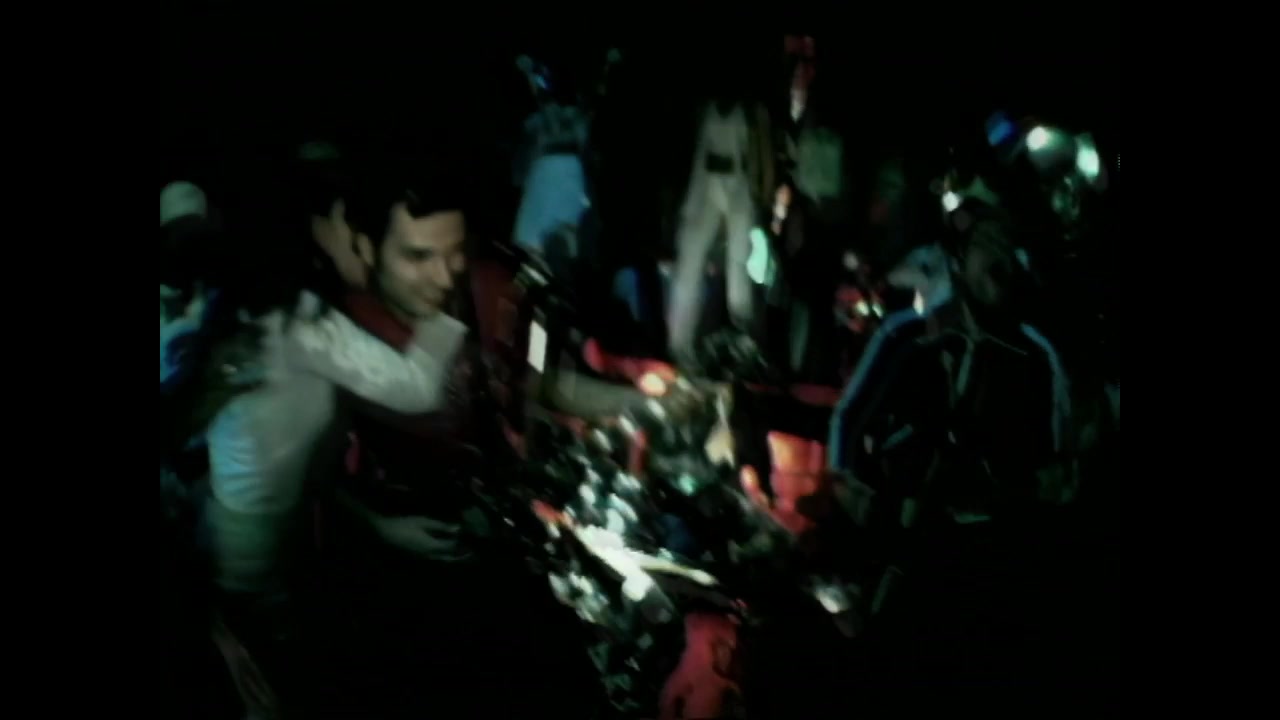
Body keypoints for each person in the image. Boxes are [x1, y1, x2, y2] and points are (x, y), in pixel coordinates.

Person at [667, 87, 773, 364]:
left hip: (739, 188)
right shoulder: (706, 110)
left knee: (739, 268)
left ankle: (743, 343)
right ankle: (679, 343)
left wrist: (764, 199)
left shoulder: (751, 113)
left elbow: (763, 159)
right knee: (689, 264)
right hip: (705, 186)